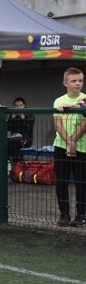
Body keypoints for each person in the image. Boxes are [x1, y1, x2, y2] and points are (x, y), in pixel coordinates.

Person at [53, 67, 86, 226]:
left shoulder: (85, 99)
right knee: (61, 182)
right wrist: (68, 142)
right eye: (73, 81)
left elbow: (85, 123)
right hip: (60, 146)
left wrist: (73, 142)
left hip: (82, 147)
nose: (77, 83)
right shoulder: (58, 100)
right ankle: (64, 214)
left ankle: (81, 215)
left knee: (81, 182)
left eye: (80, 80)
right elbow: (57, 124)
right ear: (65, 83)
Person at [7, 96, 35, 162]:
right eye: (16, 106)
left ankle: (16, 163)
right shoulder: (13, 114)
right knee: (7, 143)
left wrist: (23, 118)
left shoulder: (29, 114)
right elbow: (8, 128)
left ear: (24, 106)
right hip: (13, 138)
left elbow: (29, 128)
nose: (18, 107)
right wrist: (12, 118)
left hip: (25, 139)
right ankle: (9, 163)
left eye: (20, 105)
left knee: (14, 143)